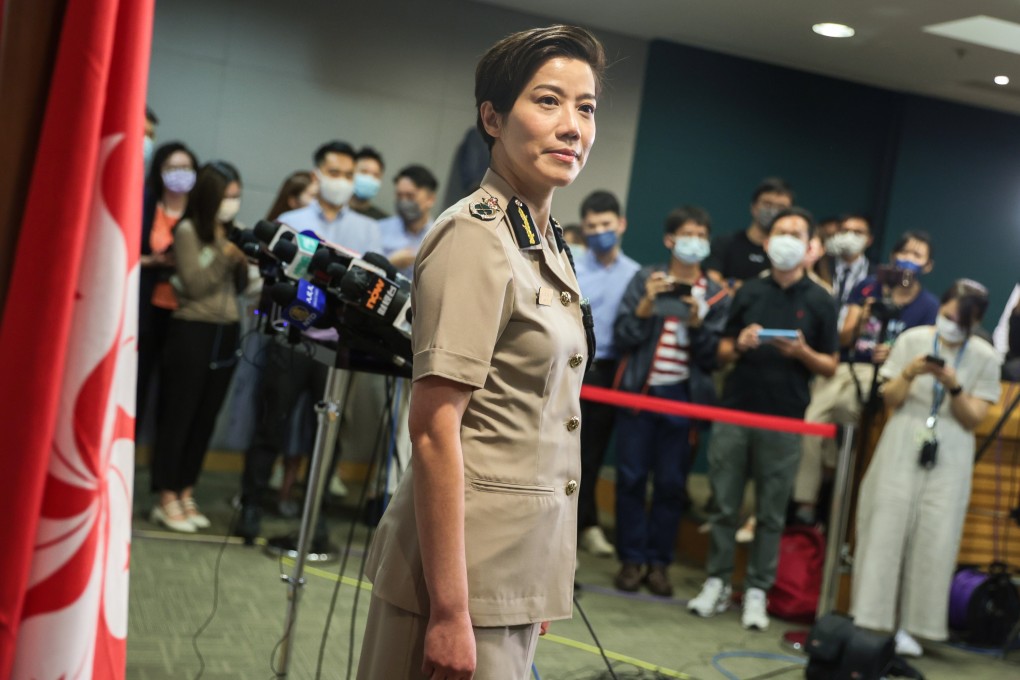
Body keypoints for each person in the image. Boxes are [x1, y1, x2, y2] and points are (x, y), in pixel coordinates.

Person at [357, 25, 605, 679]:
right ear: (492, 118)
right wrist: (449, 611)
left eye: (586, 107)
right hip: (459, 579)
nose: (572, 126)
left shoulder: (546, 239)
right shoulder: (475, 237)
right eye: (548, 101)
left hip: (510, 568)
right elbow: (436, 430)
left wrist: (539, 573)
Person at [688, 207, 838, 631]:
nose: (787, 240)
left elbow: (831, 366)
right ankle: (716, 582)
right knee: (723, 505)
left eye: (796, 233)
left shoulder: (821, 300)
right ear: (768, 242)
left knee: (772, 514)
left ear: (810, 246)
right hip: (736, 408)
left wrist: (803, 353)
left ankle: (757, 590)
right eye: (780, 233)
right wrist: (740, 343)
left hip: (787, 420)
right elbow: (719, 352)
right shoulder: (749, 292)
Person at [236, 140, 380, 542]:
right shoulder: (292, 219)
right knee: (272, 423)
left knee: (327, 433)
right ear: (318, 175)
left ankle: (315, 514)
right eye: (334, 173)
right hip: (292, 337)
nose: (342, 182)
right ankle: (251, 503)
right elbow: (272, 276)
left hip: (338, 346)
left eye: (349, 175)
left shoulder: (368, 229)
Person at [851, 279, 1000, 657]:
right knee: (885, 526)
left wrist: (952, 386)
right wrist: (909, 373)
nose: (950, 324)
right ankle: (871, 619)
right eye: (947, 315)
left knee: (935, 535)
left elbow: (974, 419)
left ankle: (912, 626)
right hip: (903, 437)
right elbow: (890, 401)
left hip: (951, 447)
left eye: (960, 321)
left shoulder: (985, 356)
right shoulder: (913, 340)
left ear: (976, 321)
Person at [612, 205, 729, 596]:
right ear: (669, 239)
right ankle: (631, 560)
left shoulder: (716, 294)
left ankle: (659, 564)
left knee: (671, 484)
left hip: (684, 398)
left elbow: (713, 358)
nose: (693, 242)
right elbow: (623, 334)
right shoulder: (645, 278)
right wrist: (646, 307)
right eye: (686, 234)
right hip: (641, 393)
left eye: (701, 236)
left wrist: (697, 326)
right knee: (629, 479)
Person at [793, 231, 939, 524]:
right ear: (893, 257)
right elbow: (843, 338)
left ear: (927, 265)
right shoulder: (868, 288)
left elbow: (921, 353)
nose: (908, 260)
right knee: (811, 420)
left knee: (850, 415)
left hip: (885, 374)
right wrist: (863, 316)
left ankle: (835, 485)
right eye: (904, 252)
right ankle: (806, 500)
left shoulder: (928, 305)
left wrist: (894, 354)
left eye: (917, 255)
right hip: (847, 366)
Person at [149, 161, 250, 532]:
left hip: (227, 330)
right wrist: (226, 256)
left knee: (206, 417)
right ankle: (165, 496)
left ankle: (186, 489)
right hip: (192, 329)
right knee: (180, 415)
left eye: (238, 196)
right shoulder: (189, 231)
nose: (233, 203)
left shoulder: (232, 234)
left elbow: (239, 287)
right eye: (228, 196)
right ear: (211, 196)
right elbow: (193, 284)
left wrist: (241, 261)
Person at [572, 190, 640, 558]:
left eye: (606, 225)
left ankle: (587, 525)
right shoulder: (571, 266)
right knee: (567, 454)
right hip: (573, 367)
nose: (600, 232)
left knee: (593, 456)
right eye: (592, 226)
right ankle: (570, 531)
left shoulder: (636, 275)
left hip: (612, 374)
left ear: (621, 225)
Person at [137, 142, 199, 436]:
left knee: (174, 395)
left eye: (186, 167)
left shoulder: (199, 213)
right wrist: (151, 260)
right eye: (172, 167)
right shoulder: (143, 204)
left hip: (185, 312)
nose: (180, 174)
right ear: (159, 171)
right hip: (146, 308)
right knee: (136, 384)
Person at [705, 177, 793, 292]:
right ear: (753, 207)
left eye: (781, 207)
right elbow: (713, 283)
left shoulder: (789, 252)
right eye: (767, 204)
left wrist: (743, 288)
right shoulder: (725, 242)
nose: (773, 211)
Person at [378, 164, 439, 279]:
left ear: (430, 199)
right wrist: (390, 263)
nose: (403, 202)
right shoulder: (379, 228)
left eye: (410, 196)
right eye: (399, 195)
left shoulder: (439, 237)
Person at [826, 214, 874, 326]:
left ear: (869, 240)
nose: (850, 236)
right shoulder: (821, 266)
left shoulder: (875, 275)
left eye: (858, 232)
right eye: (845, 231)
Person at [350, 146, 390, 220]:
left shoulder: (382, 221)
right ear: (350, 173)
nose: (369, 179)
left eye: (376, 175)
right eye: (364, 172)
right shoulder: (334, 212)